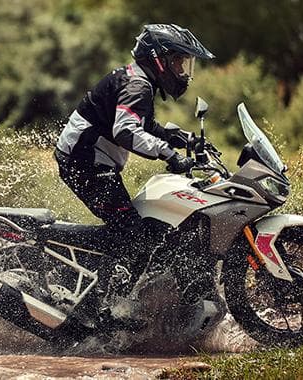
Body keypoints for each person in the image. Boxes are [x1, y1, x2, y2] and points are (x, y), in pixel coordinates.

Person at [54, 24, 214, 322]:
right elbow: (125, 130)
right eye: (179, 62)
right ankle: (95, 311)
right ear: (160, 59)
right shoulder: (138, 85)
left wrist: (182, 138)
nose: (183, 71)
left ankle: (100, 289)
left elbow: (144, 125)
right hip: (86, 163)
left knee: (132, 230)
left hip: (89, 160)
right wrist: (168, 154)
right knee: (133, 235)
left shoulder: (138, 80)